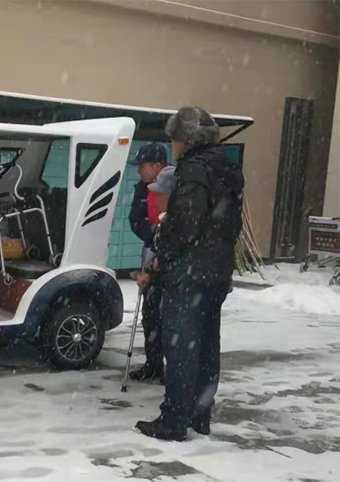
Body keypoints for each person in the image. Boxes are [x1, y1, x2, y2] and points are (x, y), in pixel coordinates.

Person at [136, 107, 245, 442]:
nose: (173, 145)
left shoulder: (195, 169)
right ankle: (200, 414)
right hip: (216, 273)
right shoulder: (226, 167)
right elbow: (230, 223)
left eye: (175, 138)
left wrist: (162, 246)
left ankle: (174, 420)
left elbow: (184, 223)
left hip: (190, 274)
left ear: (187, 139)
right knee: (207, 347)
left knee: (181, 347)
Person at [127, 143, 168, 382]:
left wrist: (165, 237)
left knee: (170, 317)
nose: (139, 171)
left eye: (142, 166)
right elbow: (134, 219)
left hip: (171, 260)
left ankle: (173, 370)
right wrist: (152, 234)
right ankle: (153, 365)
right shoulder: (141, 189)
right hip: (151, 254)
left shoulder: (176, 186)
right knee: (150, 312)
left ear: (157, 166)